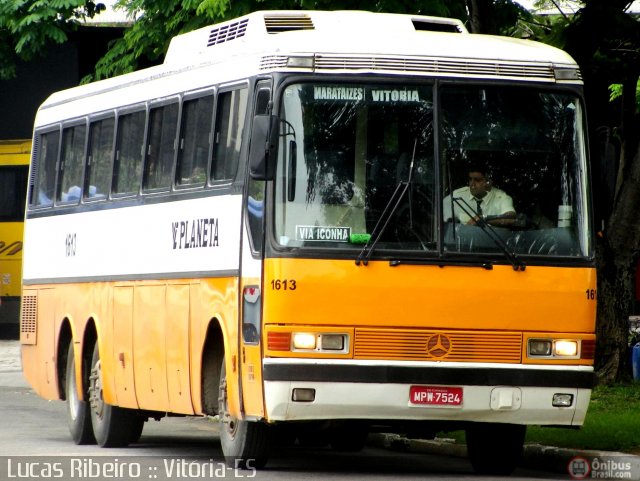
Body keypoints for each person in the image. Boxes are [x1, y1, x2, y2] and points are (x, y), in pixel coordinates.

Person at [443, 165, 516, 227]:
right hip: (462, 242)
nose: (472, 184)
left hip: (492, 243)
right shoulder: (457, 196)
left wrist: (484, 219)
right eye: (470, 179)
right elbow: (440, 221)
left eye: (477, 180)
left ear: (488, 182)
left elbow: (511, 219)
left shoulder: (501, 198)